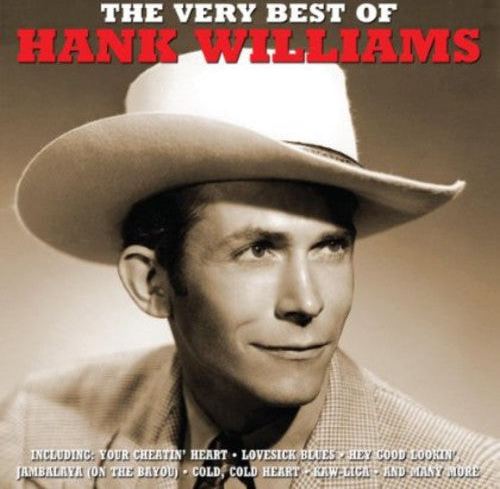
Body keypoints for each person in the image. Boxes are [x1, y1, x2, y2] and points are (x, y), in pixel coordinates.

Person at [1, 50, 498, 488]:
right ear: (152, 283)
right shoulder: (39, 423)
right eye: (258, 250)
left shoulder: (468, 479)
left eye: (330, 247)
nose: (307, 302)